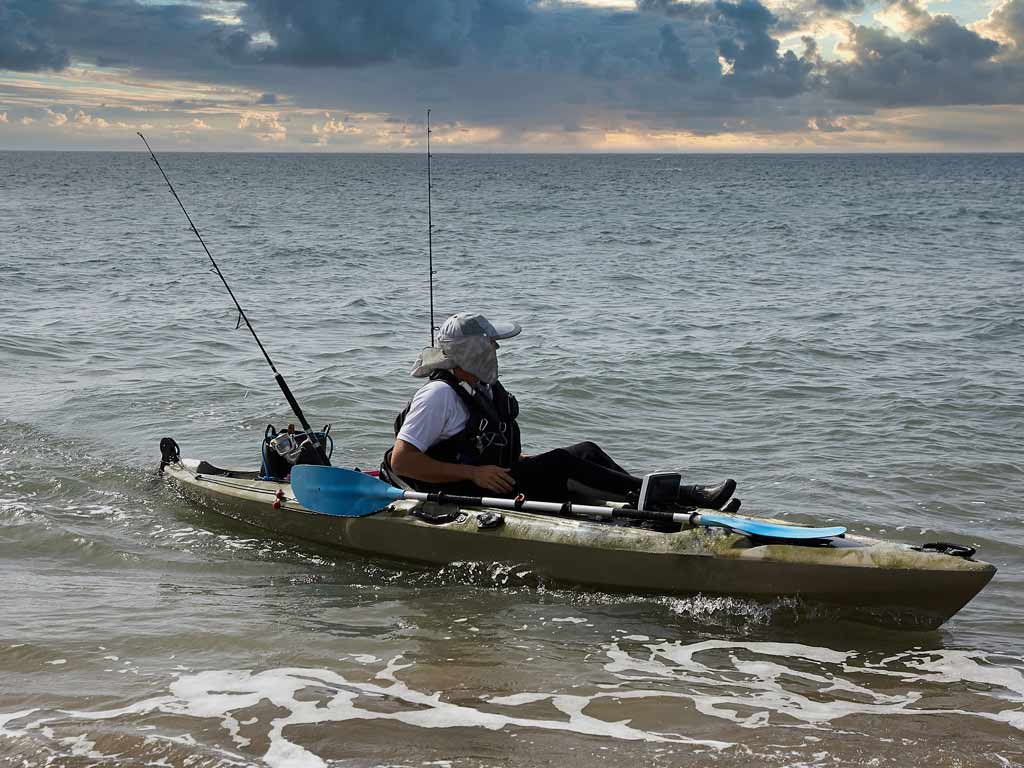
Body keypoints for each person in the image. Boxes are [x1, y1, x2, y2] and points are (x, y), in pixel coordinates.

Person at [379, 312, 736, 510]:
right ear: (473, 352)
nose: (497, 349)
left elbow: (487, 445)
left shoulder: (483, 390)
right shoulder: (439, 395)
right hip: (457, 487)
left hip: (490, 477)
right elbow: (403, 461)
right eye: (491, 344)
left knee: (584, 452)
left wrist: (505, 464)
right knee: (563, 464)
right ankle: (677, 498)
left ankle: (654, 502)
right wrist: (473, 473)